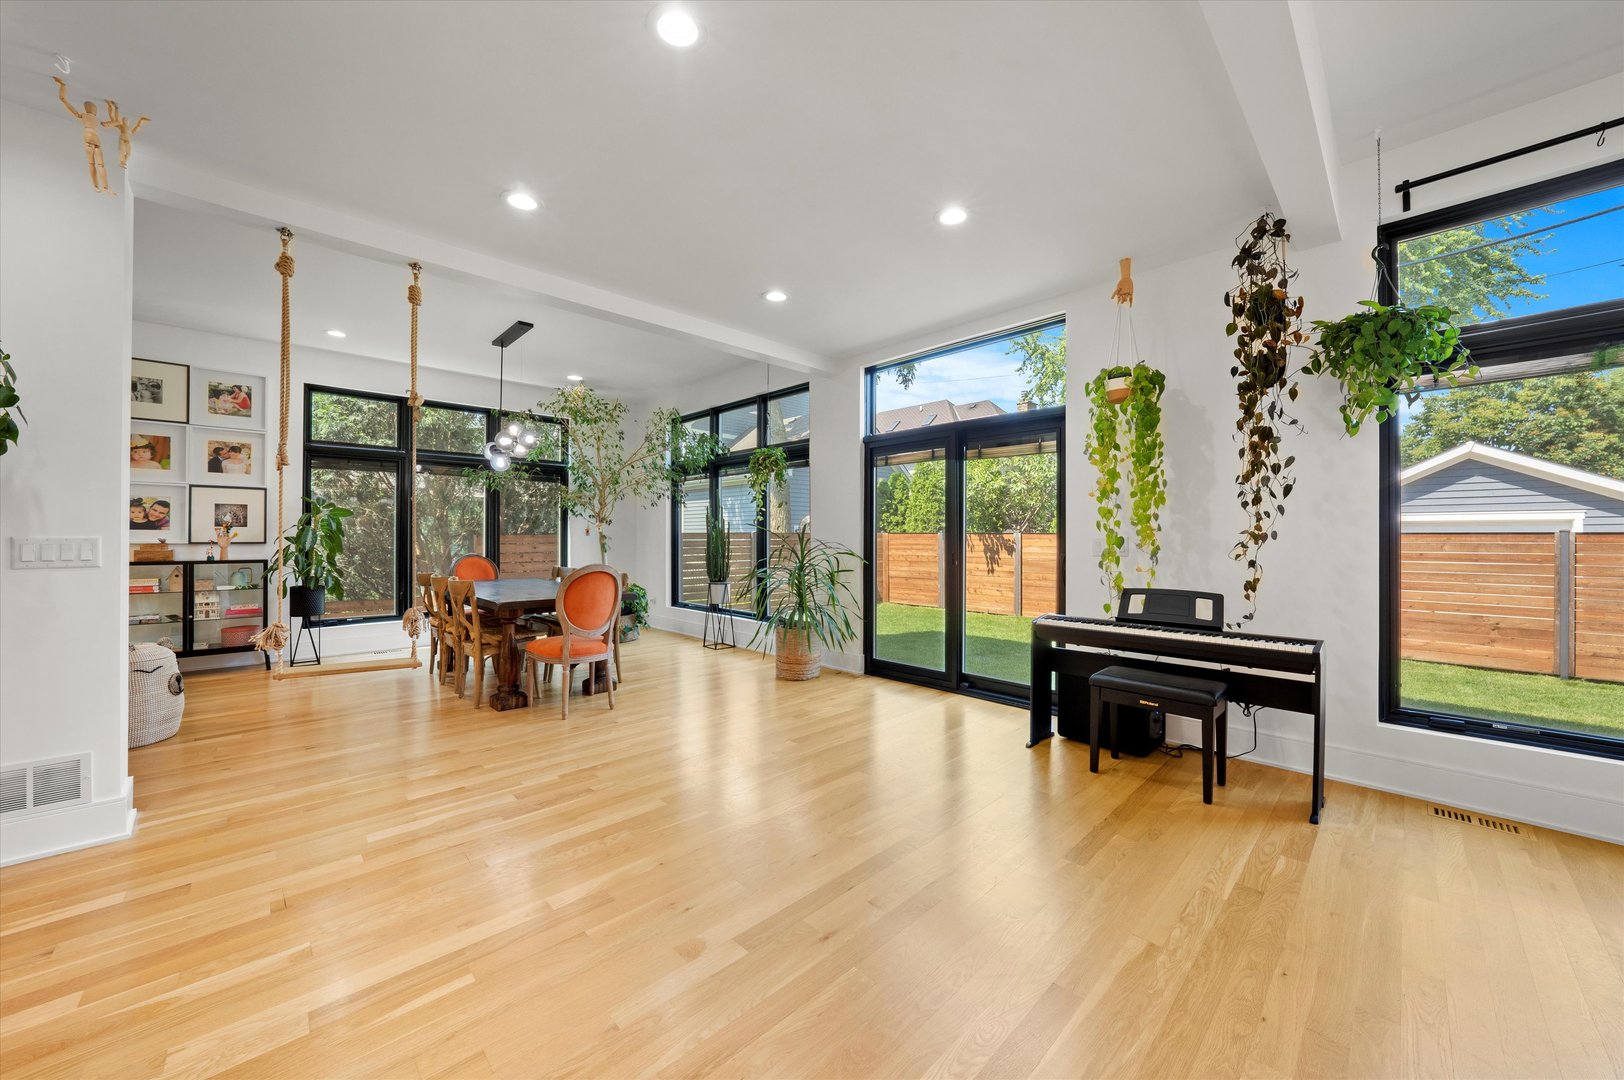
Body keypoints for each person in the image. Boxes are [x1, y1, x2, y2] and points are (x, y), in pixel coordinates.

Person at [53, 76, 110, 194]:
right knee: (99, 165)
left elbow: (64, 100)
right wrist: (111, 108)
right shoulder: (95, 120)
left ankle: (99, 186)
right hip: (96, 142)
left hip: (90, 141)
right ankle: (103, 187)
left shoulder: (86, 117)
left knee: (93, 164)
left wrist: (62, 87)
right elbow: (114, 122)